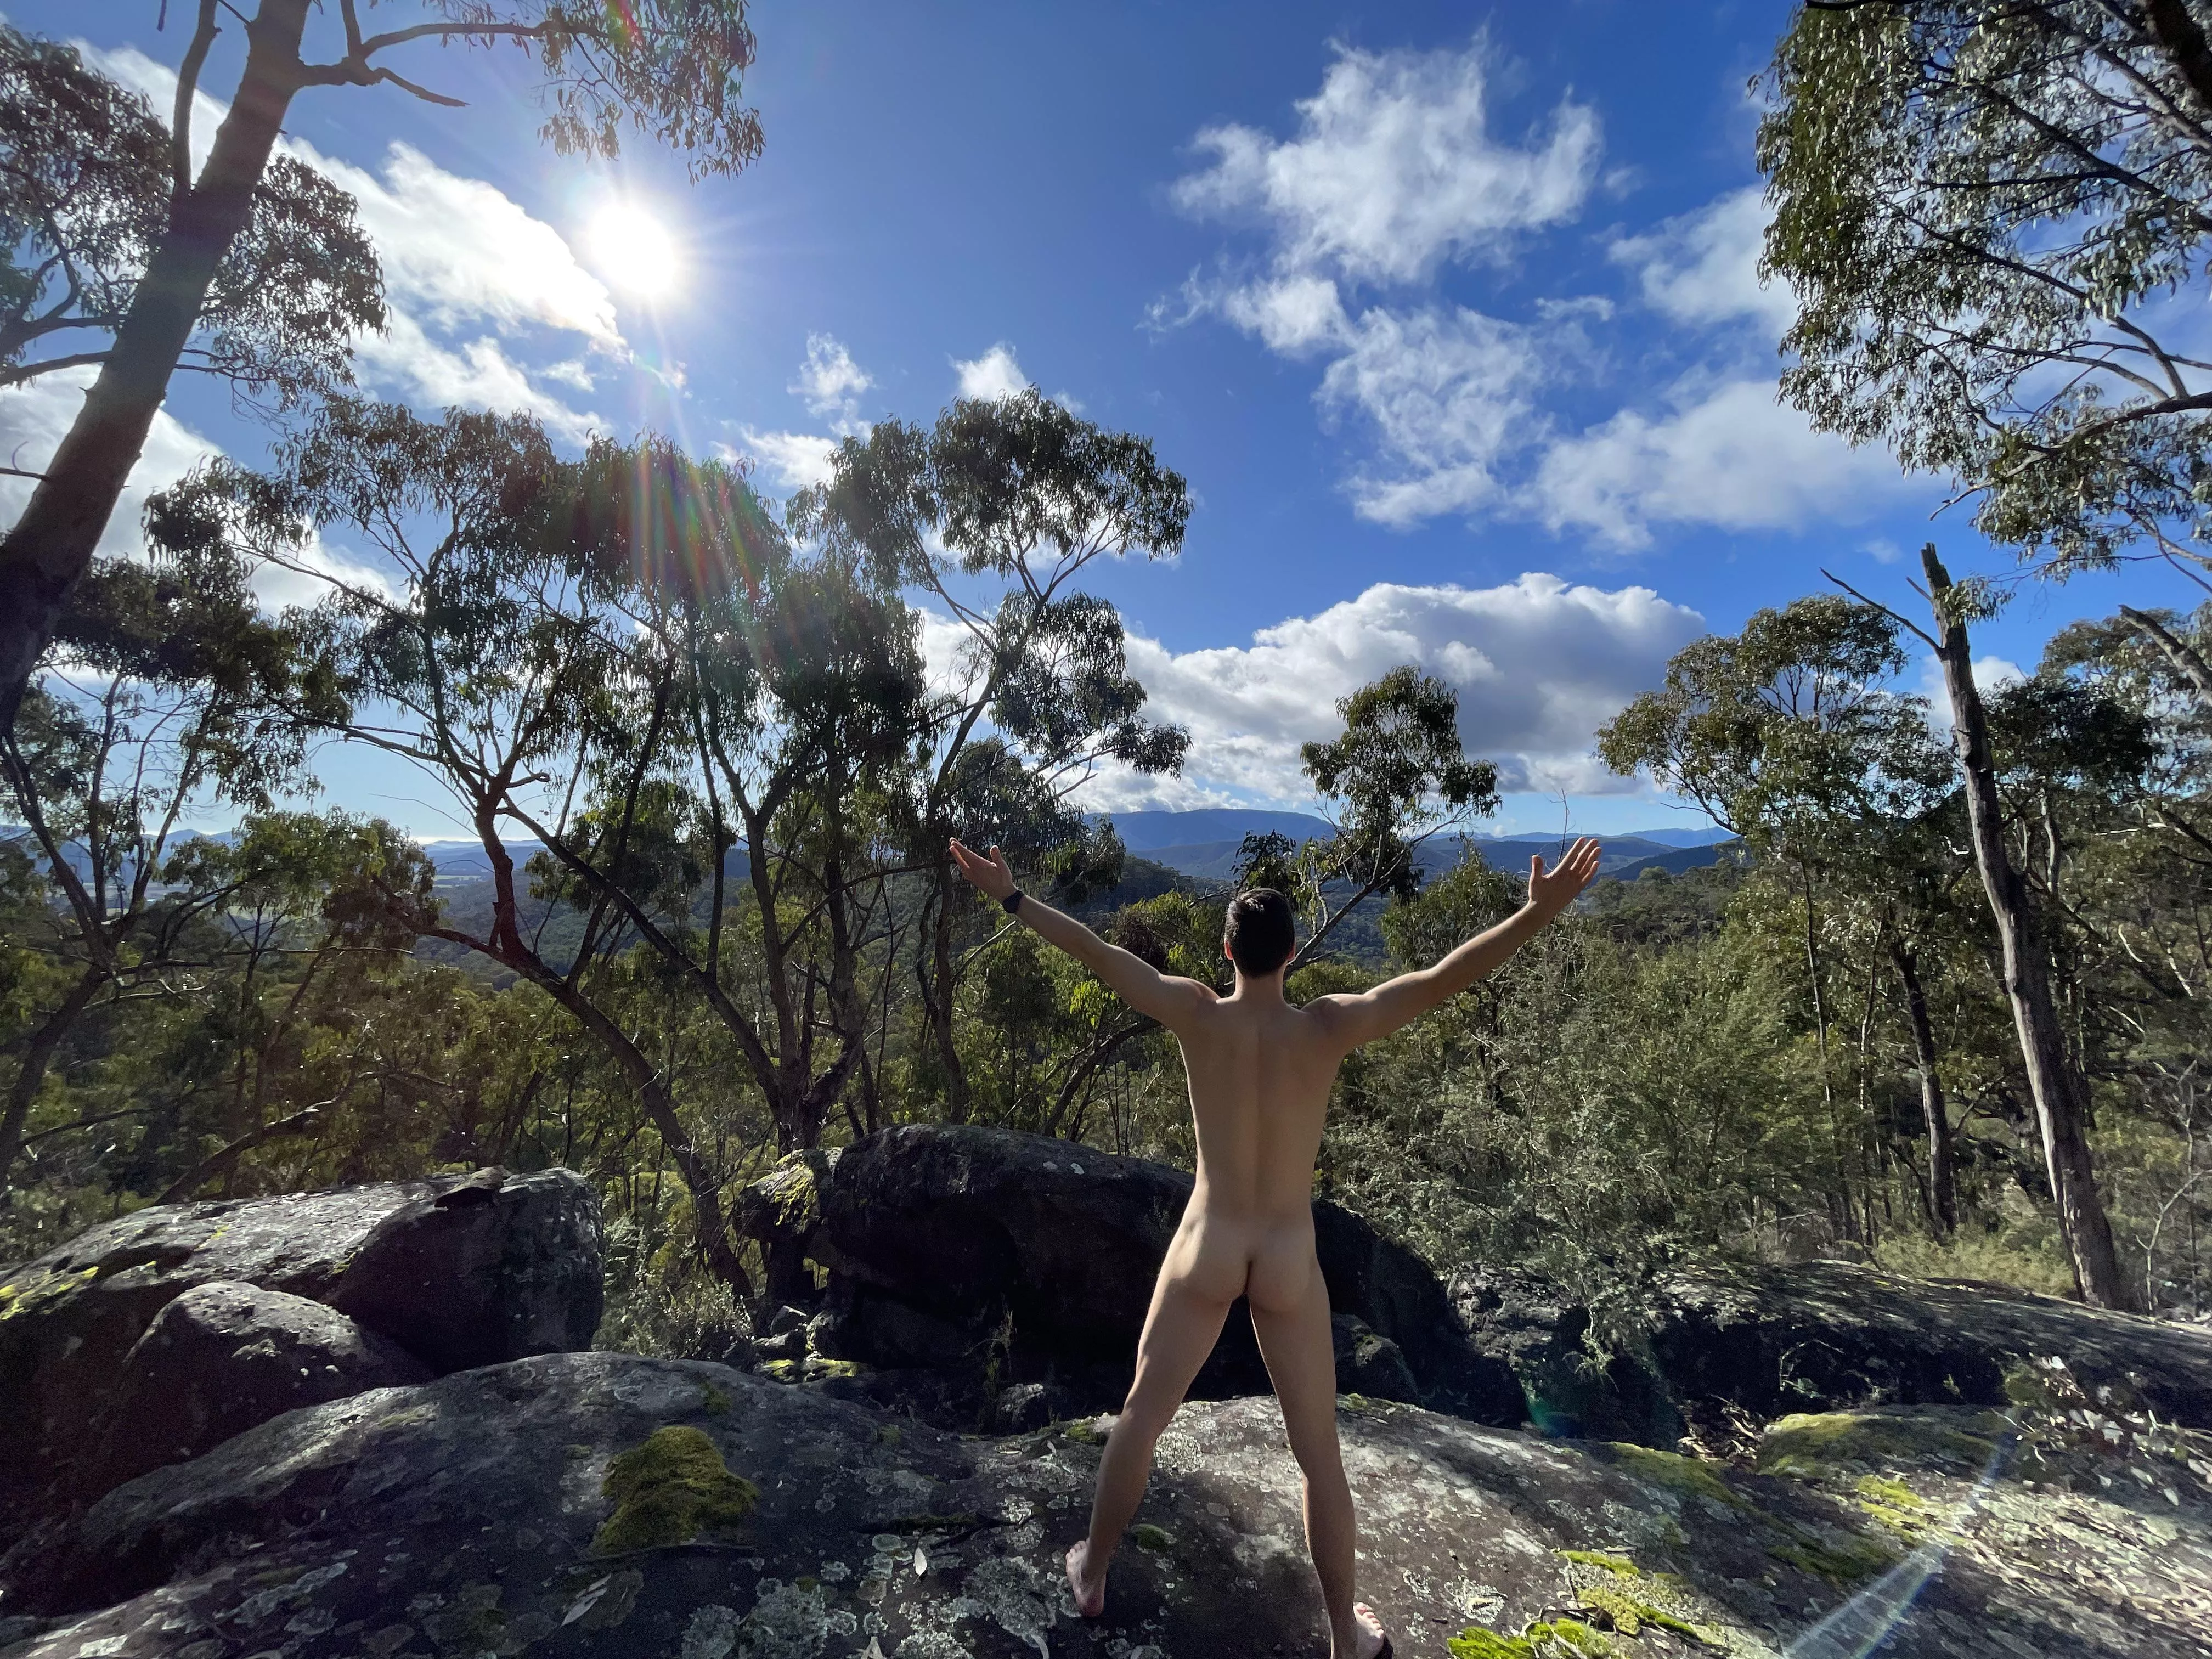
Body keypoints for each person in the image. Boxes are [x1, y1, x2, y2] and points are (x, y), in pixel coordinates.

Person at [947, 832, 1605, 1659]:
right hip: (1289, 1256)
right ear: (1293, 954)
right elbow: (1443, 980)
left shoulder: (1192, 1011)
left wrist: (1011, 897)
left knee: (1143, 1418)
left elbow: (1094, 950)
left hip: (1209, 1243)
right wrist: (1533, 915)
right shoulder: (1326, 1028)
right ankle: (1341, 1637)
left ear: (1226, 951)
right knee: (1318, 1457)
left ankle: (1094, 1574)